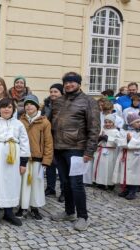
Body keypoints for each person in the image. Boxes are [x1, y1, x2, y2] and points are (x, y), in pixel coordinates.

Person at [51, 72, 100, 231]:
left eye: (72, 82)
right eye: (66, 82)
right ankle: (69, 212)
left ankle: (83, 217)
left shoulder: (89, 101)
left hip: (77, 149)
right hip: (59, 148)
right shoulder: (58, 101)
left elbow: (94, 128)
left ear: (79, 83)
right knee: (65, 183)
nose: (69, 85)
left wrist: (89, 151)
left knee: (76, 184)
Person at [0, 98, 30, 228]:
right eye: (3, 107)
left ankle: (9, 213)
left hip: (14, 159)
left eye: (9, 107)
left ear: (13, 109)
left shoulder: (18, 124)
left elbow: (24, 142)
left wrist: (23, 162)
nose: (6, 109)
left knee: (11, 184)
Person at [17, 95, 53, 221]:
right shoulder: (20, 121)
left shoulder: (44, 122)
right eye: (26, 104)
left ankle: (35, 207)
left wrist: (46, 160)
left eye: (32, 104)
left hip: (37, 158)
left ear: (37, 106)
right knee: (23, 184)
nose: (29, 106)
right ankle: (22, 207)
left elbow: (48, 143)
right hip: (23, 158)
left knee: (36, 185)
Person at [42, 83, 65, 202]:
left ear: (61, 93)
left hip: (61, 138)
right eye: (51, 92)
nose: (52, 94)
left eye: (55, 92)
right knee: (49, 163)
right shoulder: (46, 105)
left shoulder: (66, 105)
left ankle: (64, 191)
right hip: (49, 136)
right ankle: (50, 188)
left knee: (61, 166)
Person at [112, 112, 140, 200]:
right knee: (125, 173)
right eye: (137, 122)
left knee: (134, 174)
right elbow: (118, 140)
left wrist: (131, 140)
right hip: (125, 154)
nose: (139, 123)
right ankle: (126, 189)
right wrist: (126, 140)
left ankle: (133, 191)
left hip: (135, 155)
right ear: (131, 123)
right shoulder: (124, 130)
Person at [92, 114, 119, 189]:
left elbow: (117, 141)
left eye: (109, 122)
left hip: (109, 152)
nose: (107, 124)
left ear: (113, 123)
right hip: (100, 150)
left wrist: (108, 138)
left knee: (108, 167)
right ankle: (100, 182)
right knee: (100, 167)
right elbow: (96, 139)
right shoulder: (102, 130)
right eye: (106, 122)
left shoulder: (116, 131)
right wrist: (99, 139)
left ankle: (109, 183)